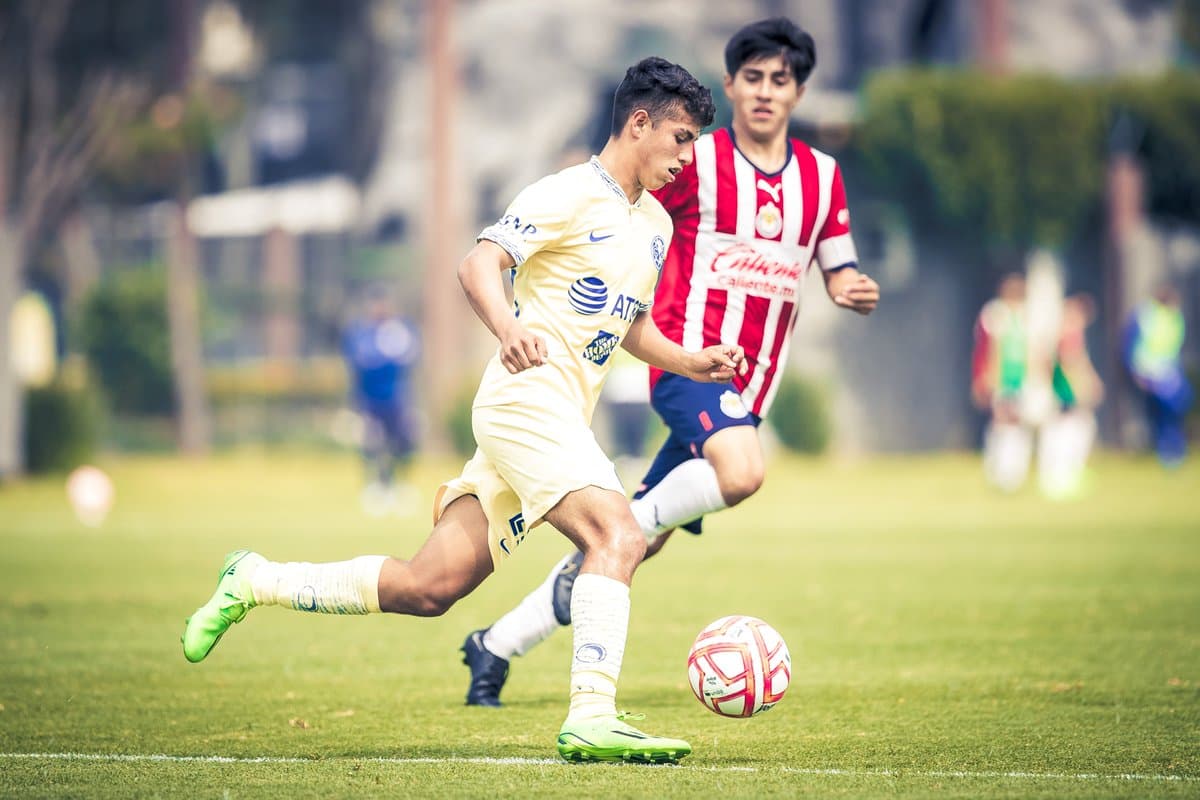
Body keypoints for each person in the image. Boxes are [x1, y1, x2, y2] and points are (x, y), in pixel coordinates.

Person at [182, 56, 736, 764]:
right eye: (682, 138)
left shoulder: (653, 225)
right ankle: (592, 715)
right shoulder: (567, 193)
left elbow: (628, 326)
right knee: (619, 535)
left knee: (428, 586)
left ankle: (254, 579)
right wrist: (510, 330)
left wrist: (691, 360)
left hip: (556, 416)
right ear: (639, 124)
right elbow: (478, 264)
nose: (687, 158)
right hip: (524, 402)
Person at [460, 17, 879, 708]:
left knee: (626, 547)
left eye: (781, 80)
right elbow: (623, 185)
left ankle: (497, 643)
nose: (766, 93)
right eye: (753, 78)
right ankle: (623, 525)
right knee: (740, 473)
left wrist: (847, 286)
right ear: (732, 86)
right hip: (689, 365)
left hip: (752, 383)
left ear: (799, 92)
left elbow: (837, 261)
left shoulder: (822, 176)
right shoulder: (696, 161)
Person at [341, 290, 420, 515]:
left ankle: (398, 485)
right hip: (368, 400)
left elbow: (408, 358)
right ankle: (375, 487)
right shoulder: (361, 332)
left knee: (402, 443)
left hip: (397, 398)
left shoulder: (400, 329)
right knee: (371, 444)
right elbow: (361, 361)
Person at [972, 272, 1034, 492]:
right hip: (1001, 379)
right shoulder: (995, 314)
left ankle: (1014, 472)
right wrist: (988, 378)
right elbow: (991, 348)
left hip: (1020, 379)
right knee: (1001, 423)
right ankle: (998, 470)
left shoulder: (1024, 316)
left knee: (1018, 423)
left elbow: (1028, 350)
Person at [1038, 293, 1104, 499]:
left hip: (1065, 389)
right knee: (1069, 431)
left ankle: (1066, 474)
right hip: (1066, 391)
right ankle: (1061, 477)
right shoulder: (1067, 334)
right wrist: (1080, 387)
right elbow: (1070, 364)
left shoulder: (1066, 333)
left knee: (1072, 429)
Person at [1123, 285, 1192, 468]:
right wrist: (1136, 371)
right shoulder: (1146, 316)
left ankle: (1173, 452)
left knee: (1172, 413)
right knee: (1159, 415)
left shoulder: (1172, 317)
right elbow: (1131, 345)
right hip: (1150, 372)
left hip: (1168, 372)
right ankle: (1166, 453)